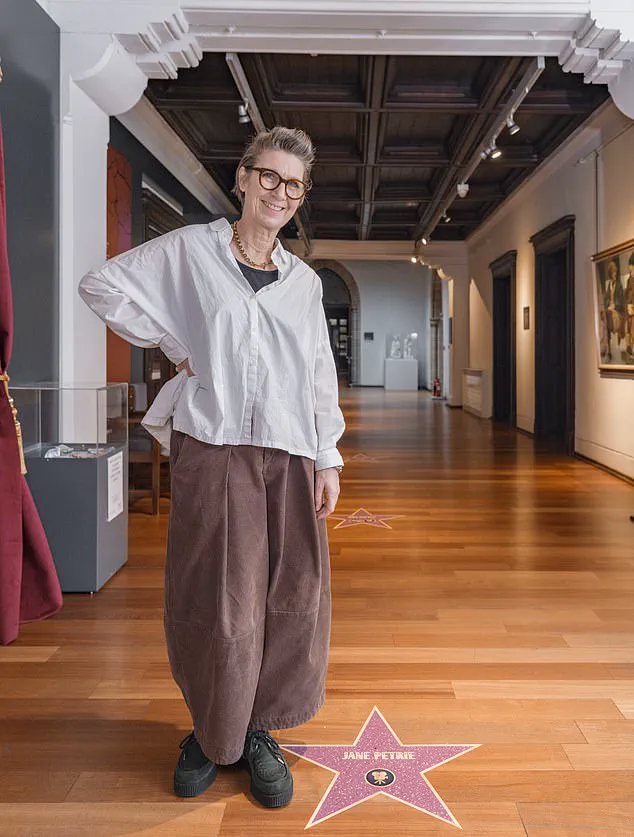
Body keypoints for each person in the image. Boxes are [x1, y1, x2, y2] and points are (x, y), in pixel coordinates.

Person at [78, 127, 345, 809]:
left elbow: (318, 372)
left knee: (290, 592)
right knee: (215, 597)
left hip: (290, 451)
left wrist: (328, 457)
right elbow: (101, 285)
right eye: (269, 176)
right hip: (214, 444)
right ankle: (209, 728)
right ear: (244, 177)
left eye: (294, 185)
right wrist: (176, 341)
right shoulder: (191, 251)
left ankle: (258, 728)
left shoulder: (304, 283)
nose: (280, 192)